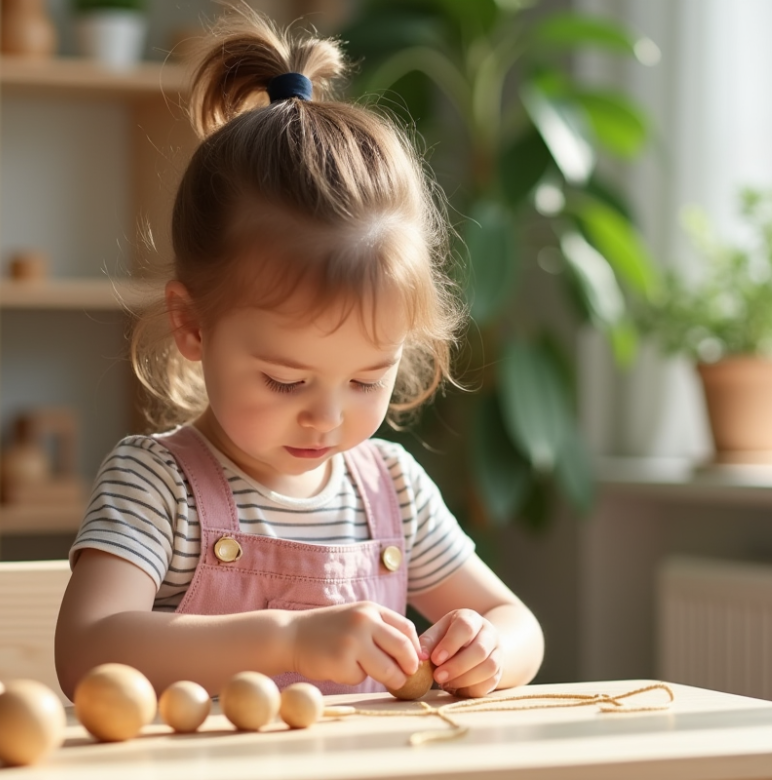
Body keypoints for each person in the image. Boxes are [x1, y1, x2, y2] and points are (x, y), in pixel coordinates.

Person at [54, 5, 544, 701]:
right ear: (192, 327)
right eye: (287, 381)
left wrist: (489, 648)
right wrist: (286, 639)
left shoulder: (392, 492)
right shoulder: (158, 486)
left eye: (368, 379)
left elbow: (517, 621)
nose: (327, 417)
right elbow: (87, 649)